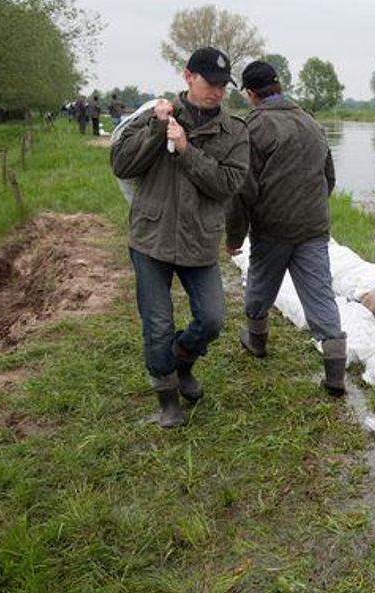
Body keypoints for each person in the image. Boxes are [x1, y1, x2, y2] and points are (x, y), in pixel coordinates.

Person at [110, 47, 250, 428]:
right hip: (151, 238)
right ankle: (167, 399)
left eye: (224, 85)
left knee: (212, 318)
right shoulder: (155, 116)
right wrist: (157, 130)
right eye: (211, 83)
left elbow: (228, 184)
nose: (218, 92)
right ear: (188, 76)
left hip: (199, 240)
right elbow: (122, 164)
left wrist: (187, 151)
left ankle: (182, 361)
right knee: (156, 324)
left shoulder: (235, 131)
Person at [225, 60, 346, 396]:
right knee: (321, 297)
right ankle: (335, 375)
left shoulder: (252, 127)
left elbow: (242, 189)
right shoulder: (311, 122)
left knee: (260, 287)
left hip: (272, 229)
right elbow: (329, 178)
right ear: (278, 87)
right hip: (313, 228)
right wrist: (310, 211)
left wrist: (234, 237)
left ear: (251, 94)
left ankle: (257, 342)